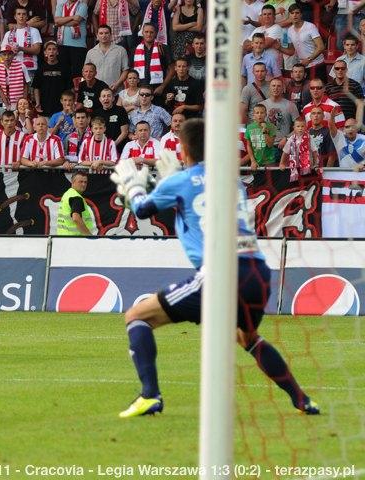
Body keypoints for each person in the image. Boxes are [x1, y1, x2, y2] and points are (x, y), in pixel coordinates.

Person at [110, 118, 320, 418]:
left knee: (137, 316)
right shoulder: (231, 178)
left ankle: (149, 396)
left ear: (182, 149)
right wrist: (172, 179)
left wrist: (134, 187)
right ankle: (302, 400)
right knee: (246, 338)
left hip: (221, 270)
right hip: (257, 271)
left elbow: (143, 209)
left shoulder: (179, 181)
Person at [84, 25, 129, 90]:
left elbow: (125, 70)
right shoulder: (91, 52)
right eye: (101, 33)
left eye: (106, 33)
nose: (103, 35)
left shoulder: (121, 50)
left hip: (115, 90)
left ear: (111, 35)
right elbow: (86, 72)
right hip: (95, 90)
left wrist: (117, 84)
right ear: (97, 36)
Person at [0, 6, 41, 76]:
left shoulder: (34, 31)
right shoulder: (8, 33)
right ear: (15, 17)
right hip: (12, 68)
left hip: (29, 69)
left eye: (24, 14)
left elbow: (37, 50)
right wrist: (11, 50)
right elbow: (3, 52)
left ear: (27, 17)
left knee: (29, 87)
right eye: (19, 14)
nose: (21, 16)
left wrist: (21, 49)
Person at [32, 40, 69, 117]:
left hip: (61, 108)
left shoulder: (65, 68)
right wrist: (38, 102)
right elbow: (36, 88)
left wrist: (69, 104)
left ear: (57, 52)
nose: (51, 51)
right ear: (45, 53)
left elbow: (69, 88)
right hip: (45, 107)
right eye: (49, 49)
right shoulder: (40, 69)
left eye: (54, 49)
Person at [54, 0, 88, 79]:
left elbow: (76, 22)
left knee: (77, 73)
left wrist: (61, 22)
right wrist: (72, 17)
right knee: (63, 72)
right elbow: (56, 20)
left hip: (78, 45)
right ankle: (65, 91)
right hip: (62, 44)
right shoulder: (60, 5)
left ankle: (77, 90)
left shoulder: (83, 5)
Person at [56, 171, 94, 236]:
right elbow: (76, 218)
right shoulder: (76, 198)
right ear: (73, 182)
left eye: (85, 182)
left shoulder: (67, 194)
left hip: (63, 238)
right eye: (80, 182)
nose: (83, 184)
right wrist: (89, 236)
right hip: (75, 240)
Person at [0, 46, 29, 111]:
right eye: (4, 54)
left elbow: (26, 84)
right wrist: (6, 104)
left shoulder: (21, 66)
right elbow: (0, 88)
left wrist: (23, 100)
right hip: (6, 102)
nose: (7, 57)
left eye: (9, 54)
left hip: (20, 101)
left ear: (13, 55)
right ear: (0, 55)